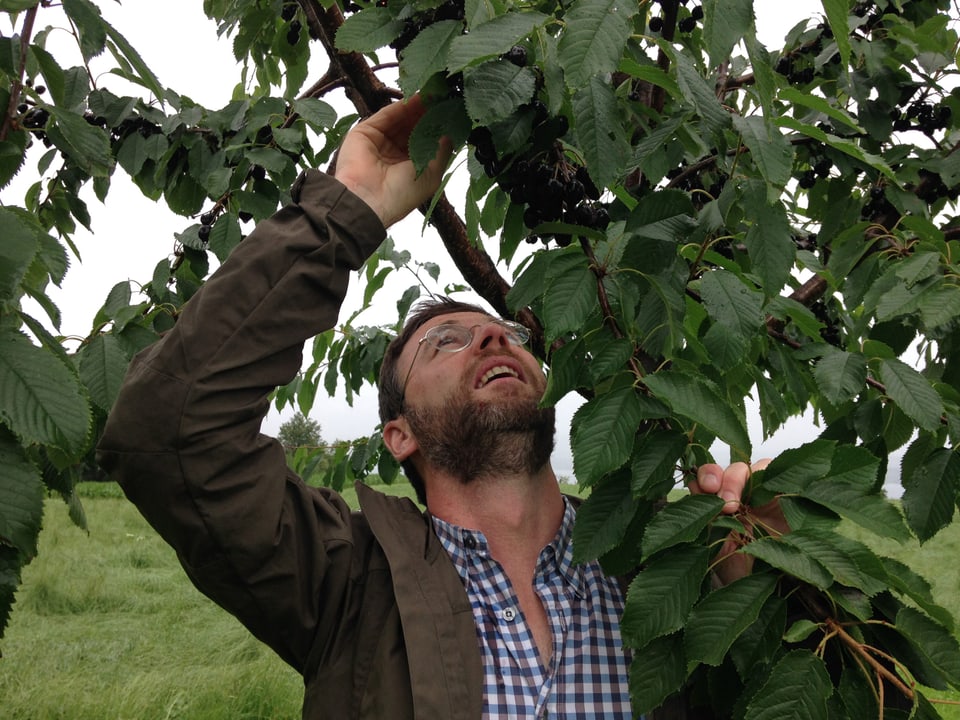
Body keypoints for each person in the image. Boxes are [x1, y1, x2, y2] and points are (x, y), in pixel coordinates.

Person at [96, 95, 775, 719]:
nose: (489, 334)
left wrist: (763, 593)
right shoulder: (348, 584)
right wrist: (347, 208)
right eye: (444, 342)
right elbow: (168, 430)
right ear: (398, 436)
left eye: (508, 334)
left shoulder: (664, 567)